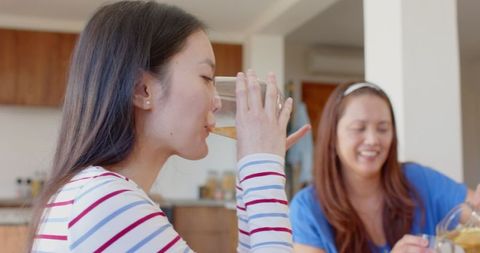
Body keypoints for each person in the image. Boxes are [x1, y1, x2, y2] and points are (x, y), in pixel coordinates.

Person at [28, 1, 309, 252]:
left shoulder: (90, 193)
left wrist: (253, 174)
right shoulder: (107, 203)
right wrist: (263, 171)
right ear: (143, 90)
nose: (217, 102)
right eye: (206, 77)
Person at [289, 81, 480, 253]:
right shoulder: (307, 209)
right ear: (332, 136)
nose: (373, 140)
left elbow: (474, 214)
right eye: (358, 128)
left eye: (383, 129)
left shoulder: (419, 180)